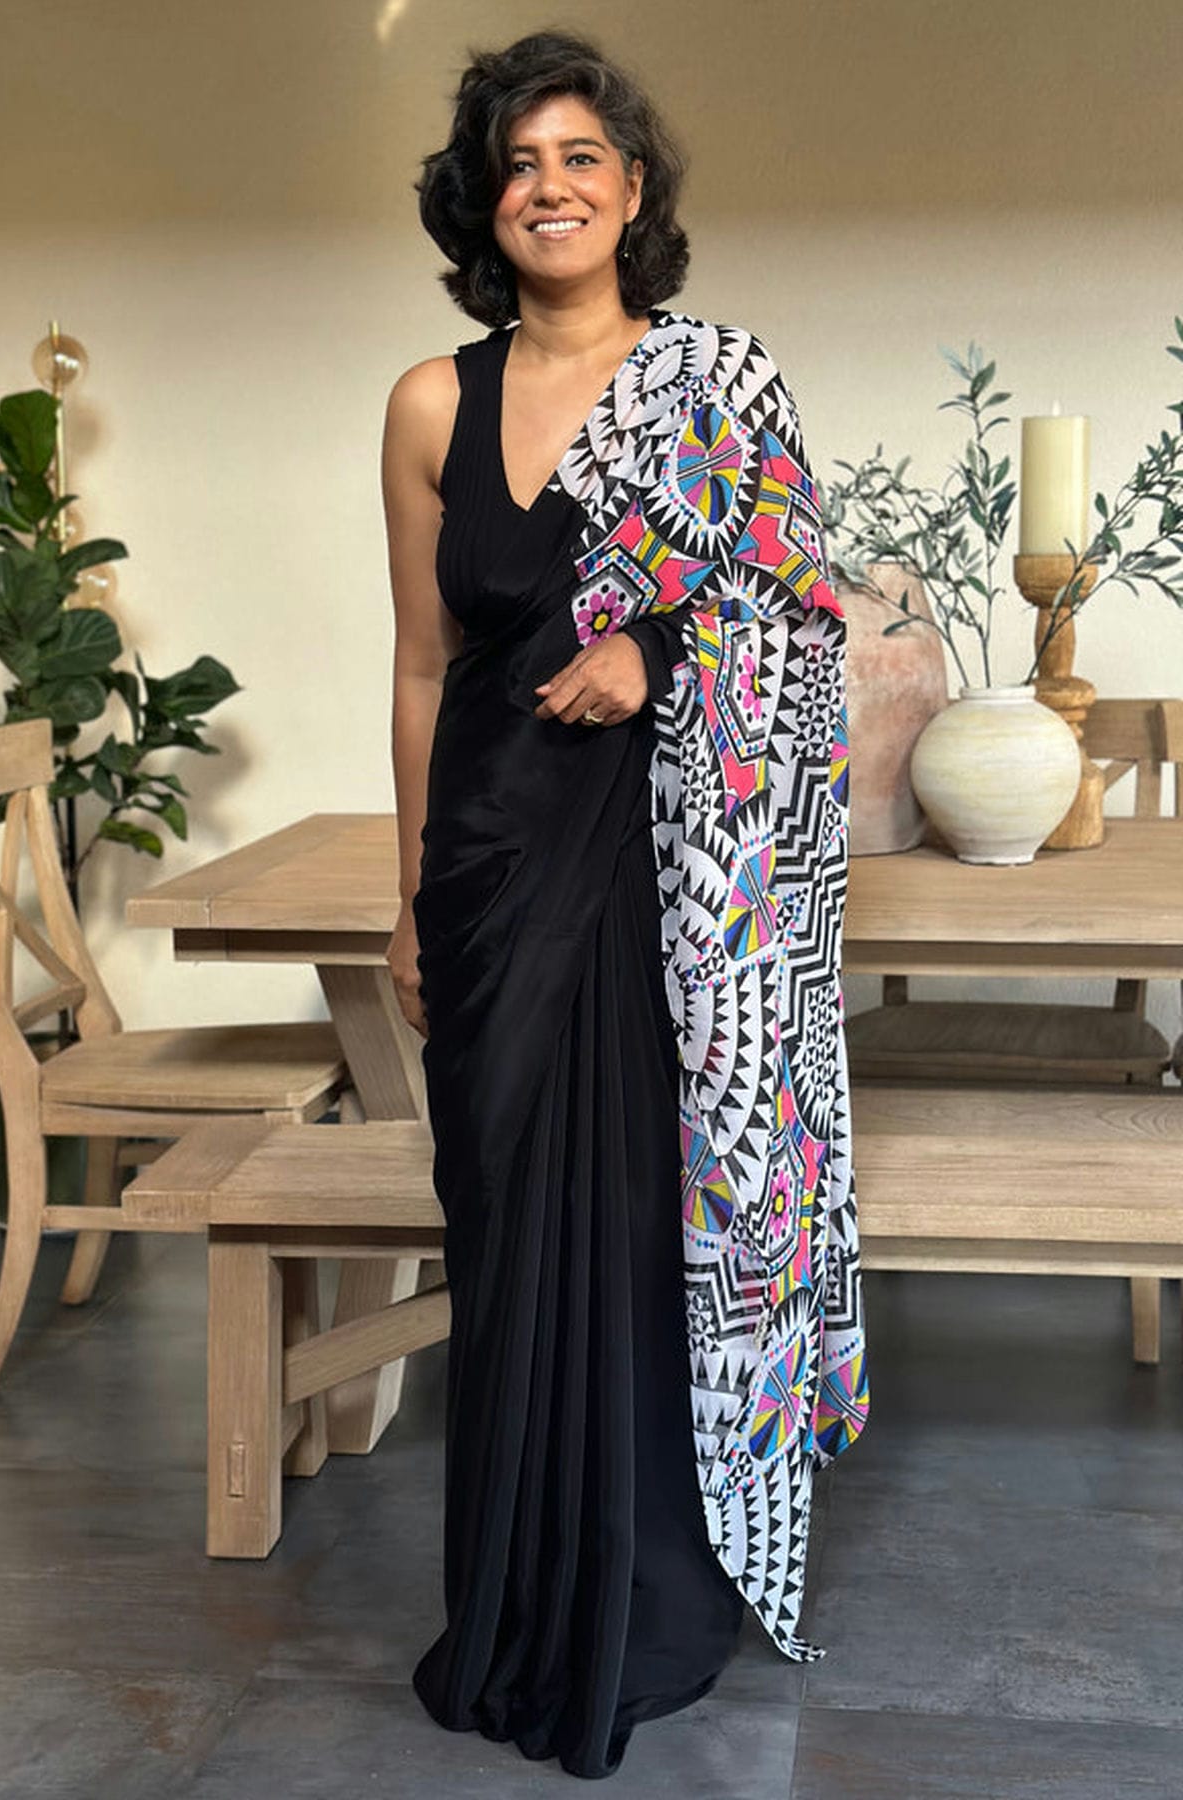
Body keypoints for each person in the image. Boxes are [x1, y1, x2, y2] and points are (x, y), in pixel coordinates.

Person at [381, 28, 870, 1781]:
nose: (551, 187)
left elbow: (805, 621)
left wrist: (660, 651)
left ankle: (647, 1604)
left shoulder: (717, 385)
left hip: (677, 890)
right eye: (519, 163)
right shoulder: (430, 404)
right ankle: (511, 1606)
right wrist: (410, 894)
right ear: (482, 200)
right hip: (491, 873)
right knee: (507, 1226)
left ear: (633, 188)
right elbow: (421, 667)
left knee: (647, 1228)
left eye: (581, 156)